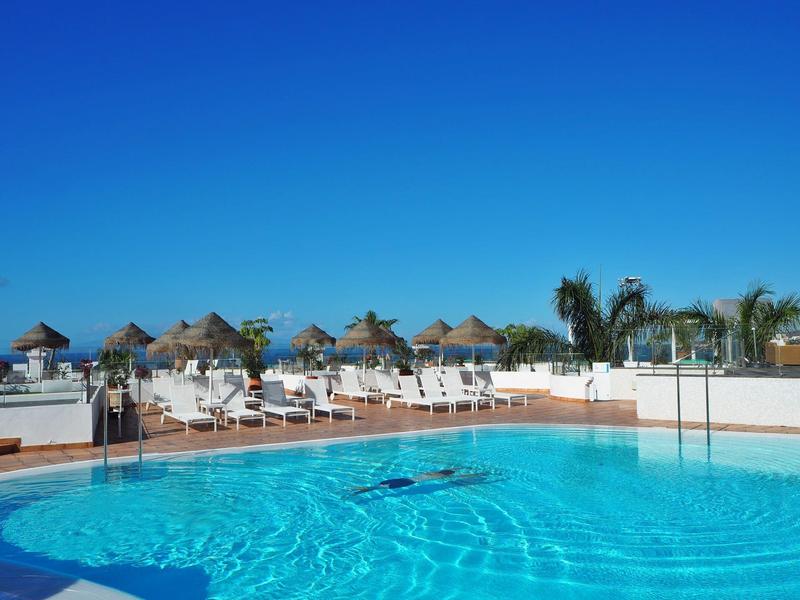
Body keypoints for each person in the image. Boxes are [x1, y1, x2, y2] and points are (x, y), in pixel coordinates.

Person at [350, 468, 485, 495]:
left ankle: (360, 490)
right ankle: (361, 490)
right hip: (407, 483)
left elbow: (453, 471)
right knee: (378, 488)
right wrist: (478, 475)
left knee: (378, 487)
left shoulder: (432, 474)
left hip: (405, 480)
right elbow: (456, 475)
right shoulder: (440, 477)